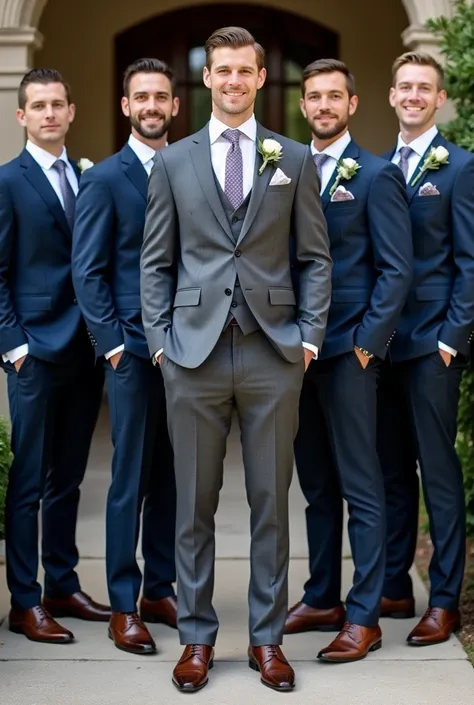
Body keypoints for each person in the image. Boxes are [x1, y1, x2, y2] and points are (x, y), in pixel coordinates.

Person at [140, 26, 331, 693]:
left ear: (257, 77)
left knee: (269, 503)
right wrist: (161, 341)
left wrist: (308, 336)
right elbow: (155, 261)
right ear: (208, 78)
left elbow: (314, 257)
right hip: (190, 354)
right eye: (220, 70)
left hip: (272, 352)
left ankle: (267, 638)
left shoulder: (294, 159)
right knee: (192, 504)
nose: (232, 81)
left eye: (244, 71)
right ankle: (196, 637)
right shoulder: (173, 162)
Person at [284, 59, 412, 663]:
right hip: (296, 354)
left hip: (350, 352)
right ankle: (322, 596)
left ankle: (365, 614)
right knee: (315, 484)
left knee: (363, 486)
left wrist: (368, 343)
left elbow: (396, 269)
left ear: (353, 104)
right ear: (303, 106)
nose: (324, 105)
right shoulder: (282, 169)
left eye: (335, 96)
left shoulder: (377, 176)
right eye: (314, 97)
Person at [72, 58, 179, 654]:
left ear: (173, 105)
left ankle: (160, 588)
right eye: (142, 97)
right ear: (126, 107)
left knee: (170, 475)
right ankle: (122, 602)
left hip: (185, 349)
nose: (152, 106)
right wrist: (111, 345)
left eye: (161, 97)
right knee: (129, 479)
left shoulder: (190, 168)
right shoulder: (105, 179)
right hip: (132, 350)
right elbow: (88, 272)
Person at [0, 68, 109, 644]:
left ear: (71, 113)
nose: (48, 114)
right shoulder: (7, 182)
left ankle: (62, 585)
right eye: (37, 106)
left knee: (68, 478)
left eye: (57, 105)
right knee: (29, 482)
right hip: (35, 353)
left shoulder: (87, 177)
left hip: (83, 352)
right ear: (22, 116)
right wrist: (14, 346)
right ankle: (24, 601)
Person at [378, 51, 474, 646]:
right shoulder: (376, 166)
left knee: (437, 473)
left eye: (424, 88)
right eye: (405, 87)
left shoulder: (461, 167)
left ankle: (444, 601)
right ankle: (392, 584)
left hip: (432, 343)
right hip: (382, 346)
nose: (413, 95)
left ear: (439, 99)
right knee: (388, 471)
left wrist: (451, 339)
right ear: (391, 96)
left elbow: (470, 262)